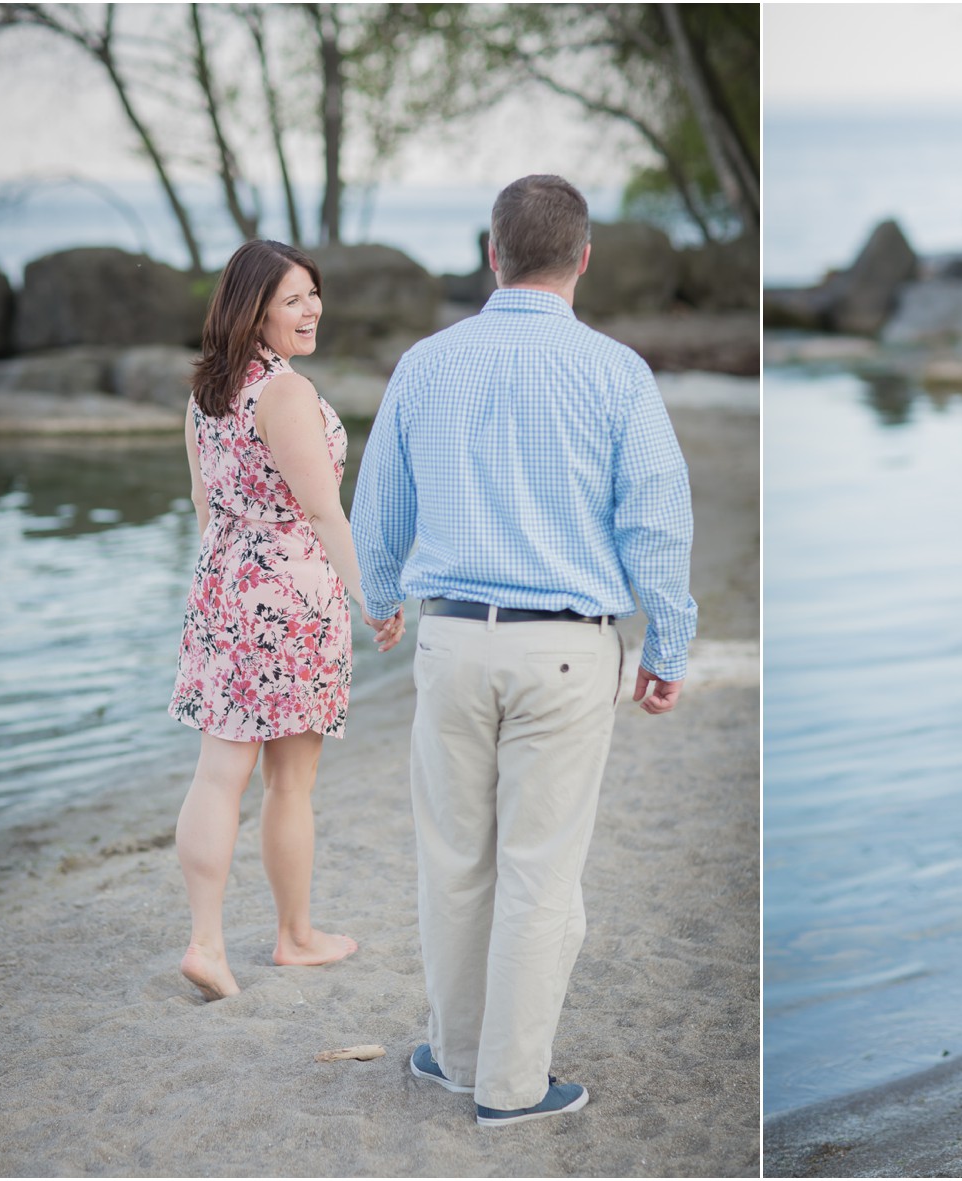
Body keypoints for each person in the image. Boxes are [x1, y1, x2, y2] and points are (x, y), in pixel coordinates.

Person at [350, 174, 697, 1128]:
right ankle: (505, 1084)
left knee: (455, 859)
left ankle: (459, 1058)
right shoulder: (617, 371)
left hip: (452, 638)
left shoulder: (426, 362)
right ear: (584, 258)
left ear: (492, 254)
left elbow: (377, 506)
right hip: (565, 653)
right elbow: (656, 528)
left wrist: (380, 602)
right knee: (540, 870)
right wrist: (668, 643)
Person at [169, 239, 404, 1001]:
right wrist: (374, 595)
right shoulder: (285, 394)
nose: (312, 310)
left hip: (224, 583)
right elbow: (324, 512)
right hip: (291, 594)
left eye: (314, 295)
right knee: (288, 785)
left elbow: (206, 505)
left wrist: (229, 578)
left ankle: (206, 940)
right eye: (295, 298)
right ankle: (294, 936)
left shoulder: (206, 391)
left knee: (218, 771)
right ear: (255, 306)